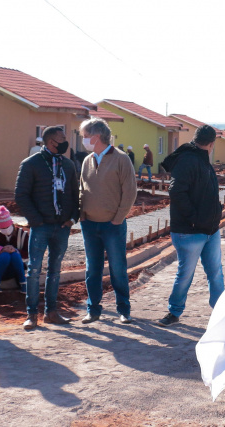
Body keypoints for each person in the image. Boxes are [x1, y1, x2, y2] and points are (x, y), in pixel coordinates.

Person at [15, 126, 81, 330]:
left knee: (55, 271)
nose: (65, 142)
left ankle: (51, 312)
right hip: (40, 227)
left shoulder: (68, 165)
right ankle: (31, 314)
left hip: (61, 227)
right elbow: (21, 195)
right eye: (62, 138)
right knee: (34, 270)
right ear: (51, 141)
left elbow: (74, 193)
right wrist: (36, 220)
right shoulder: (31, 164)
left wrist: (72, 218)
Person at [158, 124, 224, 326]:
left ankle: (222, 313)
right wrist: (194, 218)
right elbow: (176, 191)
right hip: (190, 231)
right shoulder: (188, 160)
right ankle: (174, 312)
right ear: (211, 144)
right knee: (186, 274)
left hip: (210, 230)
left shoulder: (200, 159)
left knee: (215, 272)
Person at [79, 118, 137, 324]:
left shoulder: (121, 159)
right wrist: (82, 214)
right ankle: (93, 309)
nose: (83, 140)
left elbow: (130, 192)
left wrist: (117, 219)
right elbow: (82, 188)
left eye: (85, 136)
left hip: (113, 225)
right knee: (92, 269)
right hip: (89, 224)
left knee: (117, 268)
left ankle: (123, 309)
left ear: (96, 137)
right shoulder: (87, 160)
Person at [0, 205, 28, 294]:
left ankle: (23, 283)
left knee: (14, 255)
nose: (5, 230)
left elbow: (28, 253)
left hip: (16, 267)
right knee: (5, 255)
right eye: (2, 228)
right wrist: (0, 251)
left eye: (7, 227)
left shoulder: (22, 234)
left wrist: (15, 250)